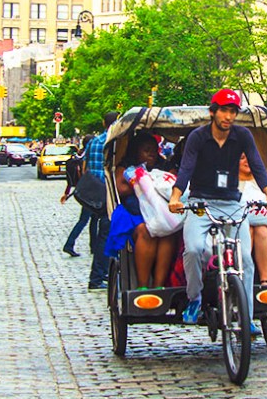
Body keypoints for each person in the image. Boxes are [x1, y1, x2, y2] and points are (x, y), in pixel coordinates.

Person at [168, 89, 267, 327]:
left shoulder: (243, 135)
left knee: (245, 260)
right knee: (194, 249)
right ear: (213, 112)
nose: (228, 116)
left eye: (232, 111)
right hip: (200, 203)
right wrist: (176, 197)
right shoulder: (198, 137)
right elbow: (186, 169)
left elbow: (258, 165)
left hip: (231, 203)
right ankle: (195, 298)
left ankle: (246, 318)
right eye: (224, 111)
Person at [111, 132, 180, 288]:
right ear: (136, 151)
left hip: (160, 211)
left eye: (154, 150)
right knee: (145, 231)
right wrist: (144, 184)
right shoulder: (126, 166)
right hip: (134, 212)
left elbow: (173, 182)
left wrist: (145, 182)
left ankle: (159, 285)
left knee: (167, 233)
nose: (151, 154)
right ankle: (142, 286)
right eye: (146, 150)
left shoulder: (164, 165)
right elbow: (121, 188)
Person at [83, 111, 120, 290]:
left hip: (95, 191)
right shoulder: (116, 141)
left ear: (104, 123)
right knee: (106, 233)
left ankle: (101, 273)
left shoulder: (94, 141)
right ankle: (98, 276)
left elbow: (86, 166)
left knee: (100, 231)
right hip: (109, 193)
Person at [238, 153, 267, 285]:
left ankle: (265, 280)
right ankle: (242, 276)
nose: (247, 162)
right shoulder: (230, 182)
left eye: (249, 158)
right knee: (247, 231)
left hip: (261, 219)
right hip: (238, 220)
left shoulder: (262, 183)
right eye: (242, 158)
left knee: (263, 231)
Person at [61, 136, 94, 257]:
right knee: (85, 220)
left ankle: (93, 246)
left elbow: (70, 179)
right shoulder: (88, 157)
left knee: (91, 219)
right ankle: (69, 244)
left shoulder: (79, 156)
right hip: (91, 192)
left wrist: (67, 192)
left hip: (84, 191)